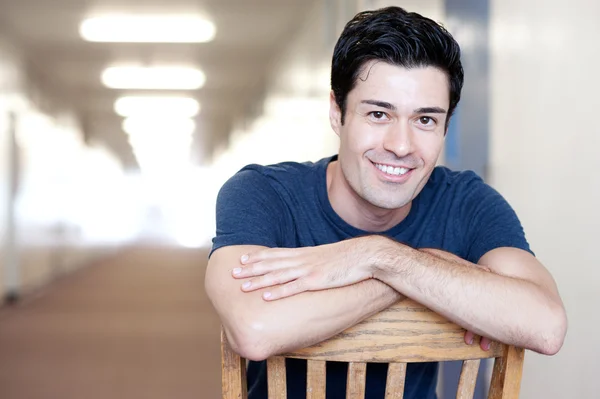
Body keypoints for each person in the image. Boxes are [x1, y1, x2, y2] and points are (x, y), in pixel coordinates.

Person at [205, 6, 567, 399]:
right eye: (379, 114)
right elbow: (255, 331)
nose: (400, 146)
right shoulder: (264, 195)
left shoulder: (465, 202)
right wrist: (418, 274)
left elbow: (545, 325)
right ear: (336, 112)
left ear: (446, 125)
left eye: (425, 120)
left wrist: (378, 256)